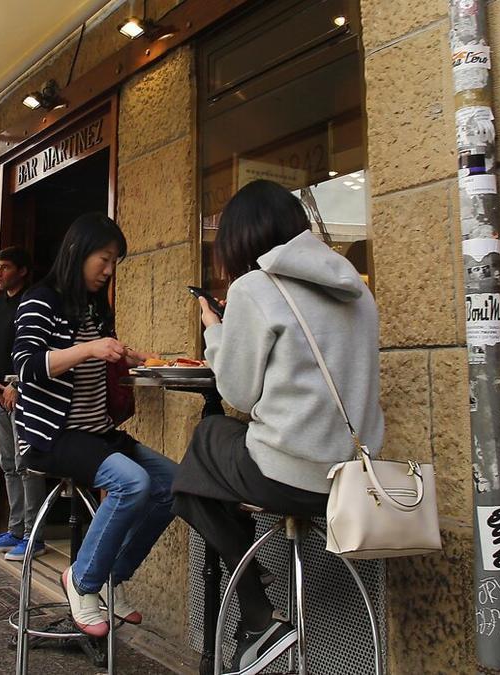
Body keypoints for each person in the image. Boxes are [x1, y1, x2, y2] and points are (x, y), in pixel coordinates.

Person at [171, 180, 385, 674]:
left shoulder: (254, 287)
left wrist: (215, 330)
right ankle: (257, 609)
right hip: (352, 483)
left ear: (242, 239)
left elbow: (238, 394)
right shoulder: (356, 288)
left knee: (200, 454)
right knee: (213, 458)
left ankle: (258, 610)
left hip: (289, 477)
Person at [12, 213, 176, 637]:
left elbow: (104, 355)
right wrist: (88, 349)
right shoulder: (39, 299)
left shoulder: (95, 306)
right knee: (133, 483)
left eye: (114, 262)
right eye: (104, 259)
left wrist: (136, 358)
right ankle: (81, 580)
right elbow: (27, 366)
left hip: (99, 433)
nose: (108, 270)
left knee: (174, 483)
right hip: (53, 436)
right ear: (77, 252)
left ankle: (108, 577)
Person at [0, 247, 46, 562]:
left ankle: (35, 535)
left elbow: (43, 350)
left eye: (5, 267)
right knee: (7, 462)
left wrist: (19, 384)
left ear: (22, 270)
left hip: (25, 392)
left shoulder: (35, 302)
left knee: (28, 463)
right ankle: (16, 529)